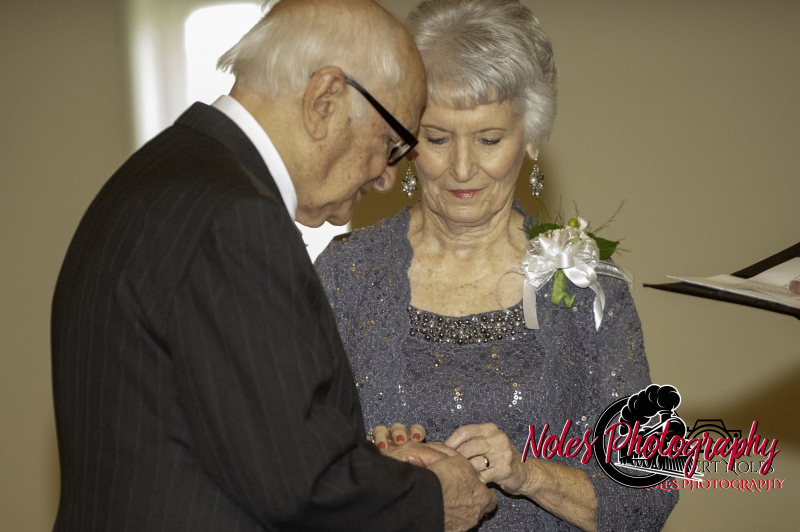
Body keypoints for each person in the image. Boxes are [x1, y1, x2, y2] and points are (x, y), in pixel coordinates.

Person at [50, 0, 496, 530]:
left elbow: (236, 445)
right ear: (325, 100)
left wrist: (370, 468)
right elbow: (301, 487)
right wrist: (435, 500)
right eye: (392, 143)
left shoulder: (162, 175)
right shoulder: (235, 220)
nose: (385, 176)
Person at [315, 1, 679, 530]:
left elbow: (649, 496)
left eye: (489, 140)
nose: (463, 168)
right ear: (407, 140)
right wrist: (374, 470)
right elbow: (286, 470)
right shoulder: (347, 273)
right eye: (437, 139)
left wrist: (526, 474)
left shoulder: (586, 283)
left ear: (530, 137)